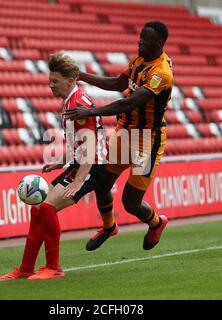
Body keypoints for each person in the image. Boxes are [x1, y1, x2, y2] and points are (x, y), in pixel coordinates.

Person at [0, 53, 110, 281]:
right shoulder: (70, 100)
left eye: (55, 81)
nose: (50, 85)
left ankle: (54, 268)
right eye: (50, 80)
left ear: (70, 80)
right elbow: (77, 141)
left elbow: (89, 145)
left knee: (47, 207)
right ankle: (26, 268)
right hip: (81, 163)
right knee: (38, 208)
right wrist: (61, 161)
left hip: (93, 167)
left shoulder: (78, 102)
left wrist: (79, 180)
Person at [64, 21, 173, 251]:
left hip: (146, 142)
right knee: (101, 183)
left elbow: (131, 101)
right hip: (124, 133)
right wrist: (81, 75)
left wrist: (91, 111)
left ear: (160, 43)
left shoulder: (161, 74)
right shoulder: (138, 61)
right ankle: (109, 226)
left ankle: (156, 223)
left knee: (131, 203)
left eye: (146, 38)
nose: (140, 41)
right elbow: (117, 83)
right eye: (140, 36)